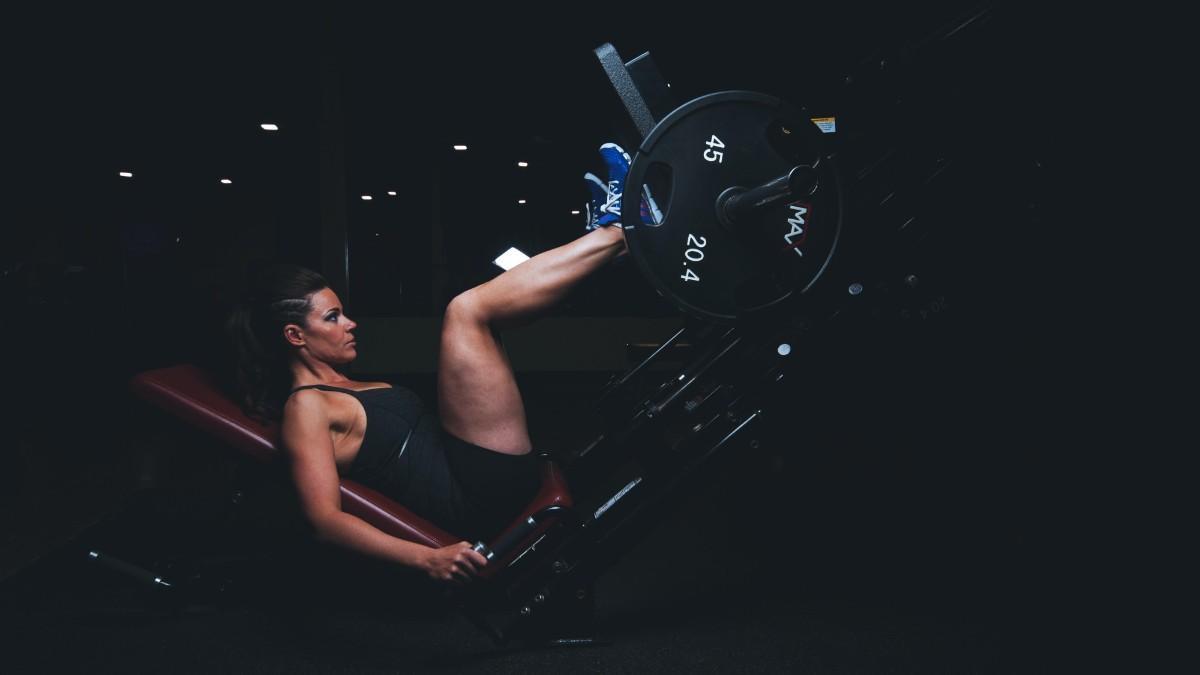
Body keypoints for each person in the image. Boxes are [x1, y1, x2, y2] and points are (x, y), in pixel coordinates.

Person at [225, 144, 652, 585]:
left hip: (472, 470)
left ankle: (611, 244)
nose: (351, 324)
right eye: (332, 318)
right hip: (475, 497)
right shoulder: (306, 409)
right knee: (466, 313)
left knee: (483, 320)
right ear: (295, 337)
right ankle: (619, 230)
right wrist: (426, 558)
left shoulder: (341, 386)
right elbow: (323, 519)